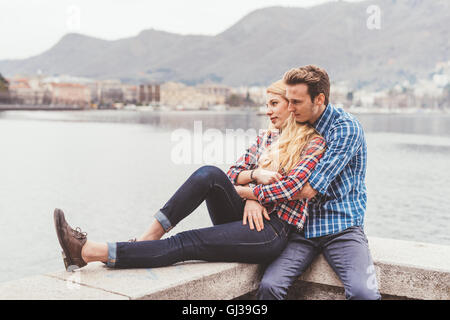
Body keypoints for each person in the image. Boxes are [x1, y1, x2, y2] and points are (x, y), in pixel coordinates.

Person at [53, 80, 326, 272]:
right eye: (268, 104)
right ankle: (149, 237)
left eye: (275, 103)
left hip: (272, 231)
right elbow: (231, 174)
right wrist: (253, 177)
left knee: (188, 242)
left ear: (291, 107)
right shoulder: (267, 137)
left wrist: (250, 192)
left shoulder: (312, 143)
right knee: (209, 173)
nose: (268, 110)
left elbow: (290, 188)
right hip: (245, 214)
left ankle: (90, 251)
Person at [255, 65, 381, 300]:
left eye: (296, 102)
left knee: (364, 294)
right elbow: (258, 161)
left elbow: (307, 189)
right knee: (269, 286)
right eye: (288, 101)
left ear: (319, 99)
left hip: (341, 227)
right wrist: (253, 187)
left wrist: (253, 194)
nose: (289, 108)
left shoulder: (344, 129)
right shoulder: (295, 124)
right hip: (300, 228)